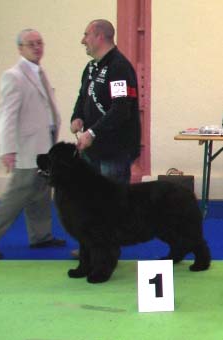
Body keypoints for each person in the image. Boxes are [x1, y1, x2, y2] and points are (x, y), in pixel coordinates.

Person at [0, 29, 66, 259]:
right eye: (30, 44)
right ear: (20, 48)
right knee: (17, 194)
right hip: (27, 148)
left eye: (39, 43)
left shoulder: (39, 72)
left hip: (46, 144)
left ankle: (40, 236)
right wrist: (8, 150)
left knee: (42, 192)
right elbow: (7, 115)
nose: (36, 47)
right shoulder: (13, 75)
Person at [70, 19, 141, 257]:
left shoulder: (120, 68)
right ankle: (92, 247)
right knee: (90, 201)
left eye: (86, 35)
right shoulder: (91, 68)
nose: (82, 41)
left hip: (115, 150)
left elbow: (121, 109)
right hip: (93, 151)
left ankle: (109, 251)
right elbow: (82, 98)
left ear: (100, 37)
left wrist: (92, 132)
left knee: (111, 203)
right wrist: (77, 117)